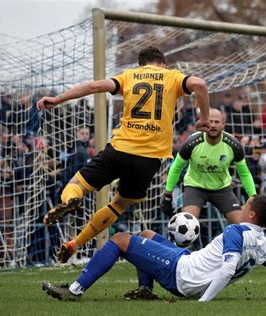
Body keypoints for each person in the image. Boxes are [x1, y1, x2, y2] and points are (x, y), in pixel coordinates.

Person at [36, 46, 211, 263]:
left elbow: (95, 85)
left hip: (120, 149)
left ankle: (71, 200)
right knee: (118, 205)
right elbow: (200, 84)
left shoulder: (130, 76)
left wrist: (58, 99)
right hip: (149, 159)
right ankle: (75, 244)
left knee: (77, 185)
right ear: (163, 63)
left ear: (141, 64)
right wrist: (204, 118)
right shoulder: (172, 77)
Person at [41, 195, 266, 302]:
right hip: (187, 263)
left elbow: (227, 268)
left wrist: (203, 303)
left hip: (182, 274)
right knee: (146, 234)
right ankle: (145, 290)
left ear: (252, 215)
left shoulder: (236, 232)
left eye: (245, 205)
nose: (242, 207)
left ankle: (74, 290)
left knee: (120, 240)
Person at [161, 109, 256, 223]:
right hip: (195, 187)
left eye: (217, 122)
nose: (213, 125)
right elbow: (176, 168)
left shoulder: (234, 145)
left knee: (242, 226)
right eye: (210, 121)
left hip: (222, 188)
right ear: (204, 122)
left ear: (223, 124)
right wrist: (167, 194)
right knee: (187, 224)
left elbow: (244, 173)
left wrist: (253, 196)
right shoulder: (192, 143)